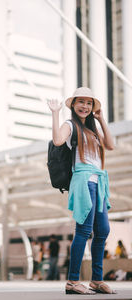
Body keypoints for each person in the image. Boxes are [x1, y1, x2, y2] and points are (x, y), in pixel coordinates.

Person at [48, 87, 116, 294]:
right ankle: (72, 281)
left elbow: (111, 145)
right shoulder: (70, 125)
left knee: (103, 230)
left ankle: (96, 280)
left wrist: (101, 119)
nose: (84, 106)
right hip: (84, 181)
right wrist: (55, 113)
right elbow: (58, 140)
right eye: (81, 102)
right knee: (84, 231)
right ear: (74, 104)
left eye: (89, 103)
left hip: (99, 181)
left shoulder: (93, 131)